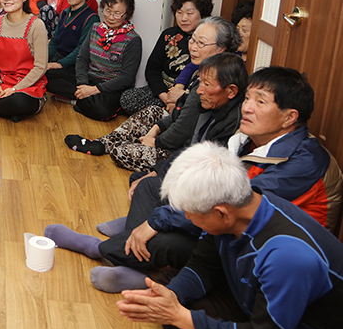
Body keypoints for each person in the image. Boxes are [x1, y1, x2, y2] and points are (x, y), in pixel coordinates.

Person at [50, 66, 338, 295]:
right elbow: (200, 167)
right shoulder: (253, 139)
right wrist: (158, 176)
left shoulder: (301, 163)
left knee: (165, 236)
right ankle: (134, 244)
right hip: (226, 228)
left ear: (289, 117)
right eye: (248, 99)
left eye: (259, 102)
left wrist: (155, 221)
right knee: (151, 185)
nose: (247, 108)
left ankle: (99, 249)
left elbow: (226, 208)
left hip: (252, 252)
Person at [116, 143, 343, 329]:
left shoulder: (287, 256)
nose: (188, 218)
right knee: (169, 285)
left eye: (191, 213)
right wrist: (170, 299)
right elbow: (203, 266)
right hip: (255, 309)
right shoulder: (242, 204)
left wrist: (177, 316)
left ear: (222, 213)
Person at [46, 53, 248, 292]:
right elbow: (191, 152)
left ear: (232, 91)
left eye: (206, 84)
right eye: (199, 82)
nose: (199, 90)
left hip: (202, 203)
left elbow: (204, 177)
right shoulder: (212, 107)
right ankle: (136, 230)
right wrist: (155, 172)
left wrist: (159, 170)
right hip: (192, 181)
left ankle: (97, 248)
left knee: (152, 200)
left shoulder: (234, 127)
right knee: (143, 181)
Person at [66, 16, 241, 169]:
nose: (193, 47)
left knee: (121, 151)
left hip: (185, 152)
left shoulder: (213, 81)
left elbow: (183, 129)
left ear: (222, 49)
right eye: (192, 40)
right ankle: (102, 144)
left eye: (201, 43)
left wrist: (155, 141)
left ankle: (118, 146)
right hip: (174, 127)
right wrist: (155, 129)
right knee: (153, 112)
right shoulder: (201, 68)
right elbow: (178, 114)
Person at [121, 0, 213, 114]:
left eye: (190, 13)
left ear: (202, 13)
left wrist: (178, 98)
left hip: (186, 95)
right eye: (179, 12)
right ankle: (164, 113)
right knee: (128, 99)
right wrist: (164, 96)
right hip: (162, 91)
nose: (183, 18)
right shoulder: (169, 35)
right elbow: (152, 68)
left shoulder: (209, 41)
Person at [73, 0, 142, 121]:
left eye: (117, 14)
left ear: (127, 14)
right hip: (90, 79)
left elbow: (127, 78)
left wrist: (95, 90)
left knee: (102, 110)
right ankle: (82, 99)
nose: (111, 17)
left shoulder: (133, 39)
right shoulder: (95, 28)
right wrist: (83, 84)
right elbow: (82, 58)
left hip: (112, 87)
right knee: (51, 77)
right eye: (107, 11)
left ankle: (79, 102)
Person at [45, 0, 99, 100]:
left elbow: (81, 50)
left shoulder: (91, 18)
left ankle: (84, 96)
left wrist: (59, 64)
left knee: (47, 77)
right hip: (59, 57)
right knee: (35, 69)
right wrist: (44, 59)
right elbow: (54, 41)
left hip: (74, 64)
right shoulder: (65, 12)